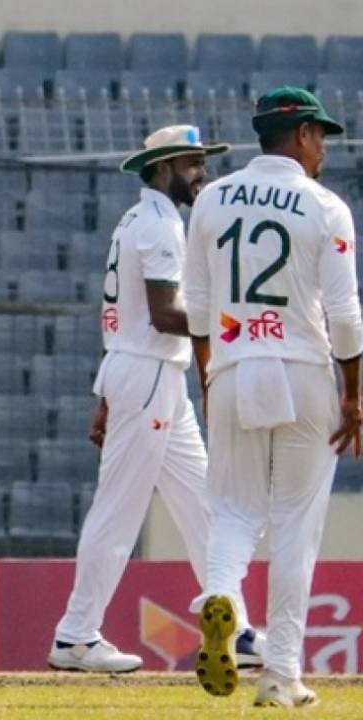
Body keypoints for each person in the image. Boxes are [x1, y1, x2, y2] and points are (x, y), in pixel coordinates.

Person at [48, 125, 264, 674]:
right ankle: (76, 635)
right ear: (163, 167)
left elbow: (130, 317)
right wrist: (233, 322)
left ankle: (235, 629)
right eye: (192, 163)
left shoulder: (138, 219)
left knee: (206, 504)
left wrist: (107, 394)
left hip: (151, 376)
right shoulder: (160, 225)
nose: (201, 173)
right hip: (148, 375)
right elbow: (165, 315)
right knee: (118, 511)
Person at [184, 87, 362, 708]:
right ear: (303, 134)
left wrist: (209, 377)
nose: (324, 150)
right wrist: (354, 395)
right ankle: (281, 673)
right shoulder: (325, 205)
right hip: (304, 370)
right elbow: (346, 316)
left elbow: (197, 307)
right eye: (321, 137)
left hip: (233, 366)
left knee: (232, 512)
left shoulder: (211, 199)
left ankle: (223, 601)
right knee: (295, 524)